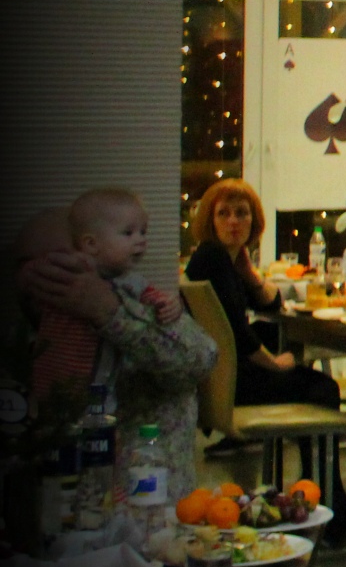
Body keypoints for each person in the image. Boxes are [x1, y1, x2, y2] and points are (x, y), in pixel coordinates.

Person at [180, 179, 346, 541]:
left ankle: (318, 494)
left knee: (307, 378)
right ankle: (329, 505)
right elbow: (235, 332)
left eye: (242, 213)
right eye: (224, 214)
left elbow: (273, 305)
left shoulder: (224, 260)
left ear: (254, 220)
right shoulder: (213, 258)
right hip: (233, 383)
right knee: (323, 388)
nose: (234, 221)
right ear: (210, 221)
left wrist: (248, 271)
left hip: (224, 379)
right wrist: (273, 364)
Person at [11, 193, 216, 503]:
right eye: (35, 267)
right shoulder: (19, 341)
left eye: (63, 262)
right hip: (59, 505)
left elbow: (201, 360)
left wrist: (108, 312)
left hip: (146, 504)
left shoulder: (138, 304)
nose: (51, 276)